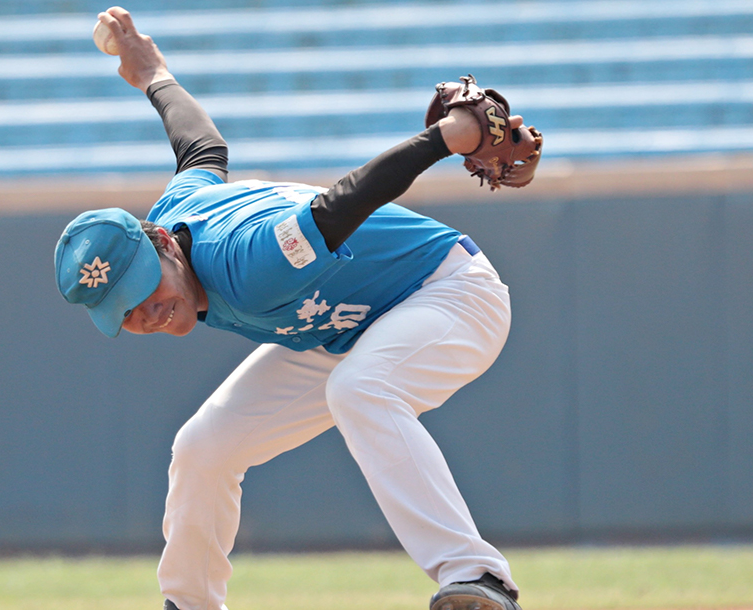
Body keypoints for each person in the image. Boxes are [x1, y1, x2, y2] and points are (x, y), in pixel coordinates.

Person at [55, 8, 533, 610]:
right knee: (204, 447)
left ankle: (477, 578)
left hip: (449, 293)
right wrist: (154, 74)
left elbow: (345, 202)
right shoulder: (182, 205)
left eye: (143, 290)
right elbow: (201, 146)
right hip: (348, 328)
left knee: (360, 390)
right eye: (123, 312)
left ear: (164, 245)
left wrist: (446, 141)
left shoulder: (249, 261)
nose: (144, 313)